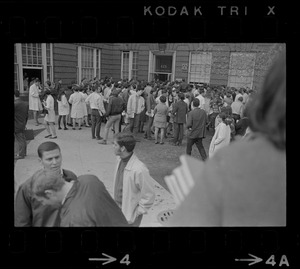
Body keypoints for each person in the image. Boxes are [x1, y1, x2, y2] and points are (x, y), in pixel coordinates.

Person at [166, 52, 286, 226]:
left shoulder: (239, 158)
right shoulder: (228, 126)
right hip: (203, 137)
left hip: (204, 141)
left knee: (195, 147)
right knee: (198, 146)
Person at [30, 170, 129, 227]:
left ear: (49, 193)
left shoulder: (72, 221)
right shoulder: (90, 179)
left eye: (42, 201)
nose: (44, 204)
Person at [15, 141, 77, 227]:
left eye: (57, 157)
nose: (55, 162)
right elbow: (21, 221)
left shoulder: (71, 177)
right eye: (49, 159)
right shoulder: (28, 187)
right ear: (40, 161)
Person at [112, 132, 156, 226]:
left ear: (123, 148)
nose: (113, 146)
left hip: (130, 216)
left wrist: (137, 213)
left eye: (115, 144)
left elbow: (149, 194)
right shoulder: (119, 159)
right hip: (117, 210)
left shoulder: (139, 169)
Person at [14, 89, 29, 159]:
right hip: (22, 123)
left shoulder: (15, 104)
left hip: (16, 124)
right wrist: (24, 123)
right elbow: (27, 115)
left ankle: (20, 154)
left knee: (19, 139)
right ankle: (23, 153)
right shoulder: (25, 103)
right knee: (23, 139)